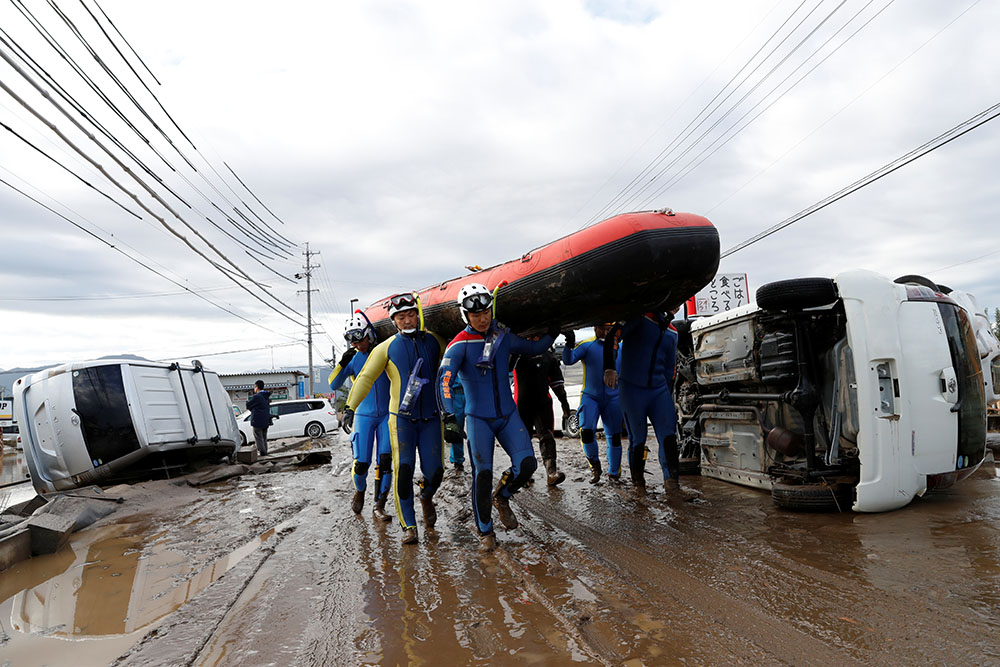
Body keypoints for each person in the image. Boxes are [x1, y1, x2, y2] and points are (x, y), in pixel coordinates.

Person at [438, 282, 559, 551]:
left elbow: (533, 348)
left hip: (507, 415)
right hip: (478, 419)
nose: (483, 319)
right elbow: (444, 382)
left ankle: (502, 496)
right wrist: (448, 417)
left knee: (527, 465)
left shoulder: (503, 337)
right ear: (465, 315)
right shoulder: (458, 346)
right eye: (476, 315)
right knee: (482, 474)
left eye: (487, 313)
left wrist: (556, 332)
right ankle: (485, 533)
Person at [344, 293, 445, 545]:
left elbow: (457, 358)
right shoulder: (386, 347)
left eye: (411, 314)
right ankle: (409, 526)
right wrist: (350, 407)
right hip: (401, 420)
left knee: (436, 472)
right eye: (402, 317)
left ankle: (426, 496)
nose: (408, 320)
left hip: (432, 418)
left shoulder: (434, 341)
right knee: (404, 470)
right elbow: (366, 378)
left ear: (418, 315)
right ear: (394, 321)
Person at [603, 308, 697, 500]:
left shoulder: (673, 332)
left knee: (669, 437)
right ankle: (638, 486)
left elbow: (671, 367)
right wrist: (610, 368)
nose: (675, 307)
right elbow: (612, 337)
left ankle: (673, 487)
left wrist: (669, 393)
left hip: (659, 390)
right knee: (638, 439)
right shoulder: (639, 318)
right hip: (632, 388)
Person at [329, 313, 392, 521]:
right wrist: (341, 363)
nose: (357, 344)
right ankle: (360, 491)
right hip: (363, 415)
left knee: (385, 461)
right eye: (353, 341)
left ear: (370, 334)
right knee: (361, 463)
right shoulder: (354, 358)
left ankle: (379, 505)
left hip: (385, 415)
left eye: (360, 339)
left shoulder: (383, 352)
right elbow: (333, 384)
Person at [562, 324, 624, 484]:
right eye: (602, 328)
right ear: (595, 328)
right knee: (587, 433)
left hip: (614, 398)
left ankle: (614, 474)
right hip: (591, 397)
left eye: (608, 329)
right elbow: (568, 360)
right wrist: (569, 342)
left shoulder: (621, 346)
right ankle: (595, 467)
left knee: (615, 437)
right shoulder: (587, 345)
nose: (605, 332)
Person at [510, 347, 569, 486]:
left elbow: (557, 383)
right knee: (523, 439)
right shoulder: (516, 355)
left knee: (547, 436)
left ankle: (551, 472)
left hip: (542, 403)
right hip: (522, 405)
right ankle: (524, 473)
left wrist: (564, 405)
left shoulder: (548, 356)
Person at [443, 375, 468, 472]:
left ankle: (479, 462)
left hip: (473, 391)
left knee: (477, 431)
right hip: (454, 392)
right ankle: (458, 461)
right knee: (455, 429)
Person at [245, 380, 272, 456]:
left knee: (258, 437)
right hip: (265, 420)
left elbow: (248, 406)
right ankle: (265, 451)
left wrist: (250, 406)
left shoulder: (257, 397)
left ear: (256, 387)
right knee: (264, 437)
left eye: (254, 387)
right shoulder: (266, 396)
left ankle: (262, 452)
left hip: (257, 420)